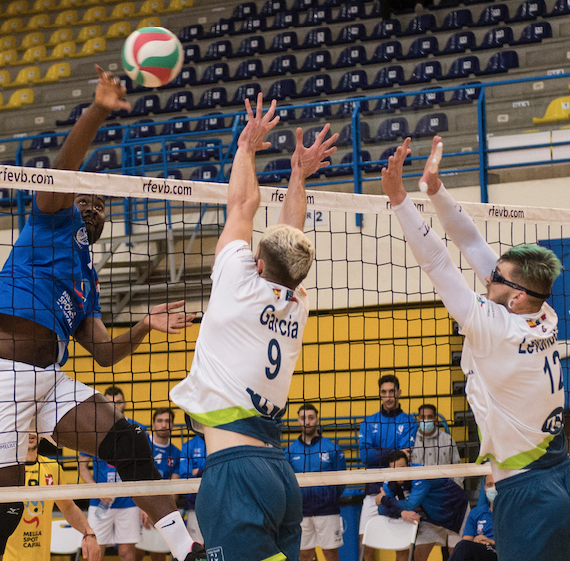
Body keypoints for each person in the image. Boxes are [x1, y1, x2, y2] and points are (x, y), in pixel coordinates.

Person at [0, 64, 201, 561]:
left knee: (131, 444)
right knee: (4, 511)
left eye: (100, 202)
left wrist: (143, 325)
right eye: (84, 193)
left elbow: (106, 354)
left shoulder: (86, 279)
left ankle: (188, 551)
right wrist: (97, 111)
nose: (91, 203)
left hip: (49, 379)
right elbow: (62, 171)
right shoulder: (51, 221)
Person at [380, 135, 570, 561]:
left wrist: (399, 200)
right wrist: (435, 189)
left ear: (517, 294)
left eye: (497, 279)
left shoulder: (493, 328)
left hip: (529, 491)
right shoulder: (545, 315)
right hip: (568, 481)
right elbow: (472, 244)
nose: (488, 279)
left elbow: (438, 262)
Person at [169, 93, 338, 561]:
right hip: (277, 472)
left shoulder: (238, 286)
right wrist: (299, 175)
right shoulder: (296, 300)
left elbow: (242, 203)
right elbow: (289, 238)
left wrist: (246, 147)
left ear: (258, 264)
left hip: (235, 470)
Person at [0, 433, 102, 561]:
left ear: (42, 434)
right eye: (26, 427)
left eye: (34, 427)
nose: (31, 432)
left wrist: (88, 533)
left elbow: (68, 508)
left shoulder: (52, 468)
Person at [76, 387, 143, 561]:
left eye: (118, 402)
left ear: (125, 404)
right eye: (110, 403)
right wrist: (96, 490)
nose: (114, 406)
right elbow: (82, 467)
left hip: (129, 500)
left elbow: (145, 467)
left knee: (126, 553)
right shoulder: (92, 431)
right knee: (94, 551)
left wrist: (145, 503)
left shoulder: (137, 430)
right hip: (100, 501)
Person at [358, 374, 417, 561]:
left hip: (400, 490)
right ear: (380, 394)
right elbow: (365, 456)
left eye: (392, 391)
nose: (388, 396)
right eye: (384, 392)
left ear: (399, 393)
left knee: (401, 547)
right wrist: (395, 451)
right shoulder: (368, 422)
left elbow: (403, 459)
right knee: (365, 545)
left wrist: (381, 453)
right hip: (374, 488)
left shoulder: (409, 422)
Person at [377, 451, 469, 561]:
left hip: (455, 509)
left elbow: (410, 505)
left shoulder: (420, 475)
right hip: (431, 516)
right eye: (394, 470)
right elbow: (381, 509)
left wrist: (384, 499)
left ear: (408, 466)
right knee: (418, 556)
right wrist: (401, 512)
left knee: (456, 555)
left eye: (402, 468)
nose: (399, 473)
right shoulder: (389, 482)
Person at [286, 404, 346, 561]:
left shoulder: (332, 448)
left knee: (331, 554)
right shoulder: (290, 451)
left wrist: (329, 497)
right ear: (298, 421)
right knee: (304, 555)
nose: (307, 422)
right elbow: (288, 484)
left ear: (317, 420)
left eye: (311, 418)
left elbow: (341, 481)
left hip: (327, 511)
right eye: (303, 418)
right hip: (301, 513)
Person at [137, 408, 181, 561]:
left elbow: (174, 488)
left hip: (161, 508)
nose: (164, 425)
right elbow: (134, 478)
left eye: (167, 421)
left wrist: (160, 510)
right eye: (160, 421)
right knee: (134, 554)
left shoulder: (176, 452)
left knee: (158, 554)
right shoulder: (142, 444)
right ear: (153, 424)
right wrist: (144, 508)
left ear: (173, 425)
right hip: (137, 505)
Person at [449, 474, 497, 561]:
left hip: (498, 551)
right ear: (485, 488)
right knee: (463, 547)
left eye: (496, 484)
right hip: (479, 551)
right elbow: (466, 540)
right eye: (489, 485)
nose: (493, 488)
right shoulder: (475, 513)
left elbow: (514, 544)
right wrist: (477, 540)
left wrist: (490, 541)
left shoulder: (511, 513)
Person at [177, 431, 207, 544]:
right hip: (195, 505)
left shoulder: (221, 441)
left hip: (220, 504)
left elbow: (224, 472)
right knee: (197, 546)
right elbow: (185, 475)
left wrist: (198, 471)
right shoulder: (189, 445)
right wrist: (207, 471)